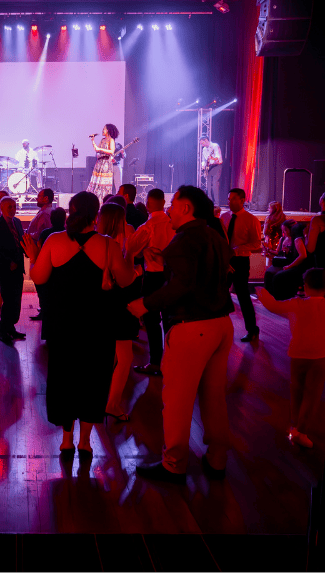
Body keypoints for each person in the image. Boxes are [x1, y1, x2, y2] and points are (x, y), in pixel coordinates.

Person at [127, 186, 234, 482]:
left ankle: (174, 463)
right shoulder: (215, 235)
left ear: (186, 208)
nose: (169, 209)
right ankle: (217, 458)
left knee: (177, 398)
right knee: (214, 395)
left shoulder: (184, 241)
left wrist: (145, 304)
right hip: (222, 324)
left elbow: (181, 285)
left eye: (173, 204)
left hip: (193, 327)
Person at [23, 192, 135, 460]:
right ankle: (85, 442)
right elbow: (127, 281)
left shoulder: (55, 240)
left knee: (65, 379)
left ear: (71, 212)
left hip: (64, 325)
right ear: (96, 214)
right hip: (98, 327)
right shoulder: (107, 245)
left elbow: (38, 277)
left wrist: (34, 255)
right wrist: (130, 254)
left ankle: (65, 440)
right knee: (93, 380)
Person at [257, 269, 325, 448]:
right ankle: (302, 430)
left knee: (296, 389)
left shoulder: (295, 304)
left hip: (297, 355)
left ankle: (294, 424)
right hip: (320, 357)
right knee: (312, 395)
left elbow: (273, 305)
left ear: (305, 286)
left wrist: (262, 292)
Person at [97, 202, 139, 422]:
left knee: (106, 354)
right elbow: (125, 280)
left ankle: (100, 399)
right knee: (124, 358)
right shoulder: (117, 243)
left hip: (100, 303)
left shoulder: (96, 241)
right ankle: (112, 404)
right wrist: (132, 257)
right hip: (118, 304)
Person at [128, 188, 177, 377]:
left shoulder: (149, 225)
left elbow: (132, 248)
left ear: (148, 204)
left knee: (151, 320)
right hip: (172, 276)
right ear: (164, 203)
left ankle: (156, 362)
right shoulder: (173, 223)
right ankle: (172, 361)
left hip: (153, 276)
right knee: (171, 320)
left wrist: (141, 252)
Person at [221, 188, 261, 341]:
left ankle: (252, 330)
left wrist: (236, 251)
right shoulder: (224, 217)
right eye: (229, 199)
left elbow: (256, 243)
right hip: (225, 259)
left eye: (232, 199)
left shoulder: (251, 220)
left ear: (242, 200)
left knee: (243, 295)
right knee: (220, 292)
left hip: (241, 260)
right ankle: (221, 327)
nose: (229, 202)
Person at [0, 196, 29, 345]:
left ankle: (10, 328)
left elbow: (20, 241)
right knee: (8, 300)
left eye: (14, 206)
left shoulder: (18, 222)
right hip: (5, 269)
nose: (13, 209)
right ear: (1, 208)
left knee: (16, 299)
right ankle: (2, 331)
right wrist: (9, 262)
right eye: (9, 207)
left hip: (18, 267)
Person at [31, 205, 66, 322]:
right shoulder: (67, 233)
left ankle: (44, 312)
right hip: (62, 267)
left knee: (44, 292)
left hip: (47, 265)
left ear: (51, 219)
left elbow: (39, 247)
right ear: (64, 219)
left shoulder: (46, 233)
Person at [269, 222, 310, 299]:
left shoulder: (297, 240)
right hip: (303, 265)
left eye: (285, 230)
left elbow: (303, 256)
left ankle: (280, 300)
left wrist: (289, 266)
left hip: (301, 267)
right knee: (272, 273)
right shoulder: (303, 238)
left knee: (277, 277)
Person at [86, 124, 118, 201]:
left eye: (104, 129)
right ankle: (95, 200)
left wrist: (101, 150)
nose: (102, 130)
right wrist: (93, 141)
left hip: (106, 163)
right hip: (100, 162)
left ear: (108, 131)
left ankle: (103, 201)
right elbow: (97, 150)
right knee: (96, 181)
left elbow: (111, 151)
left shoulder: (111, 140)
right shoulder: (102, 140)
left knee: (103, 183)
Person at [200, 137, 223, 205]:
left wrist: (212, 158)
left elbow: (218, 158)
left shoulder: (215, 146)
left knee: (215, 184)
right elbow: (204, 160)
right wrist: (203, 165)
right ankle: (210, 203)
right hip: (209, 167)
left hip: (216, 166)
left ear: (206, 140)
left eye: (202, 143)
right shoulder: (204, 149)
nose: (201, 145)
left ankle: (217, 204)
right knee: (209, 186)